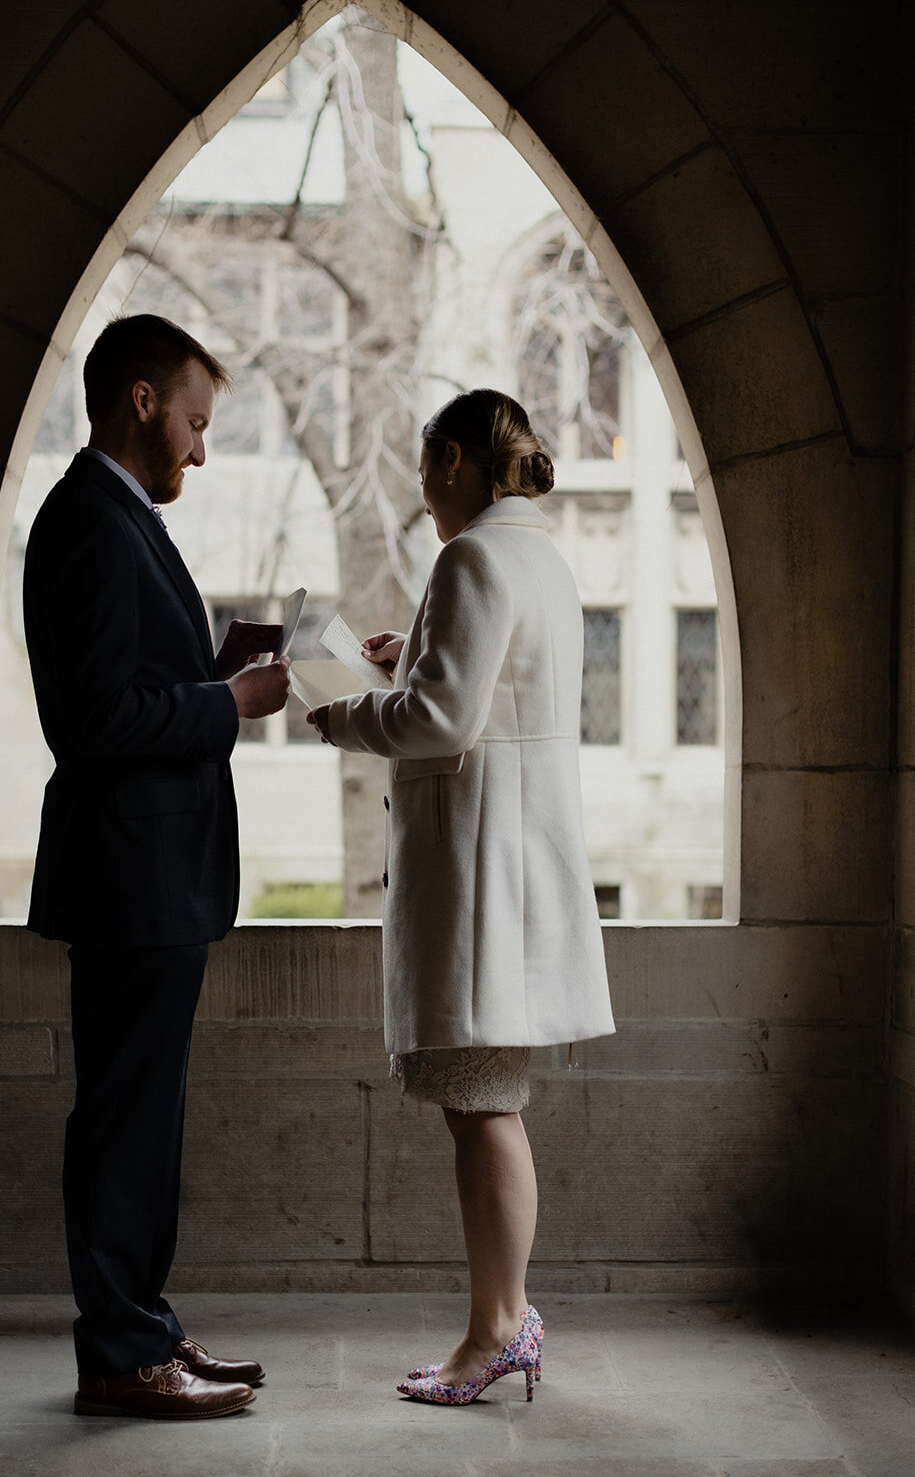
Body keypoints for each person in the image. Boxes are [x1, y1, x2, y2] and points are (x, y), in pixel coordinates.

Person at [308, 388, 614, 1407]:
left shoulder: (471, 556)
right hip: (513, 867)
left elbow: (440, 719)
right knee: (482, 1105)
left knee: (483, 1108)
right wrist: (418, 661)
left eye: (422, 471)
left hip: (485, 877)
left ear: (450, 461)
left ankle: (497, 1330)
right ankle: (497, 1321)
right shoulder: (539, 557)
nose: (421, 496)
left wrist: (343, 707)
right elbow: (483, 692)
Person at [23, 313, 290, 1420]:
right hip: (131, 877)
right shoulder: (88, 518)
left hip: (155, 876)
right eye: (190, 420)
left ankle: (145, 1330)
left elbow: (131, 679)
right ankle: (125, 1354)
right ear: (139, 401)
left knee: (142, 1118)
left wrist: (210, 678)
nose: (198, 447)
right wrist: (223, 702)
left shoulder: (116, 514)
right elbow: (88, 717)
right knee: (124, 1123)